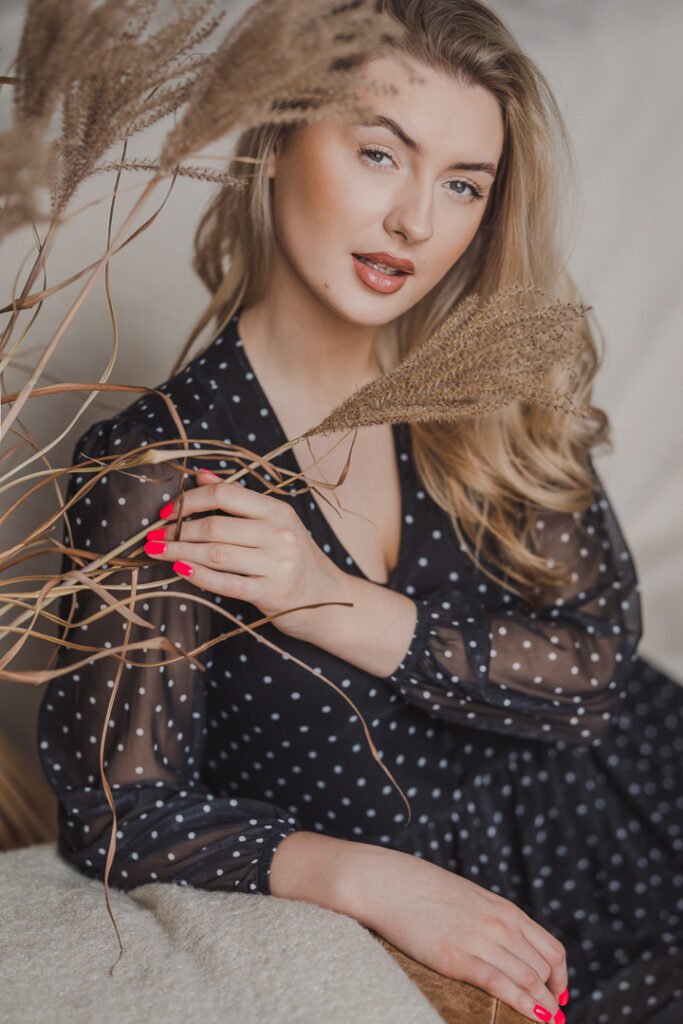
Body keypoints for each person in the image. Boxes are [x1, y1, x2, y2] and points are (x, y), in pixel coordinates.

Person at [37, 2, 683, 1022]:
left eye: (462, 183)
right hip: (501, 932)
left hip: (636, 806)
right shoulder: (160, 468)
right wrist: (360, 877)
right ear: (278, 140)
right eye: (380, 154)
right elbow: (121, 810)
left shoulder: (491, 383)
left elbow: (593, 669)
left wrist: (328, 601)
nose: (415, 222)